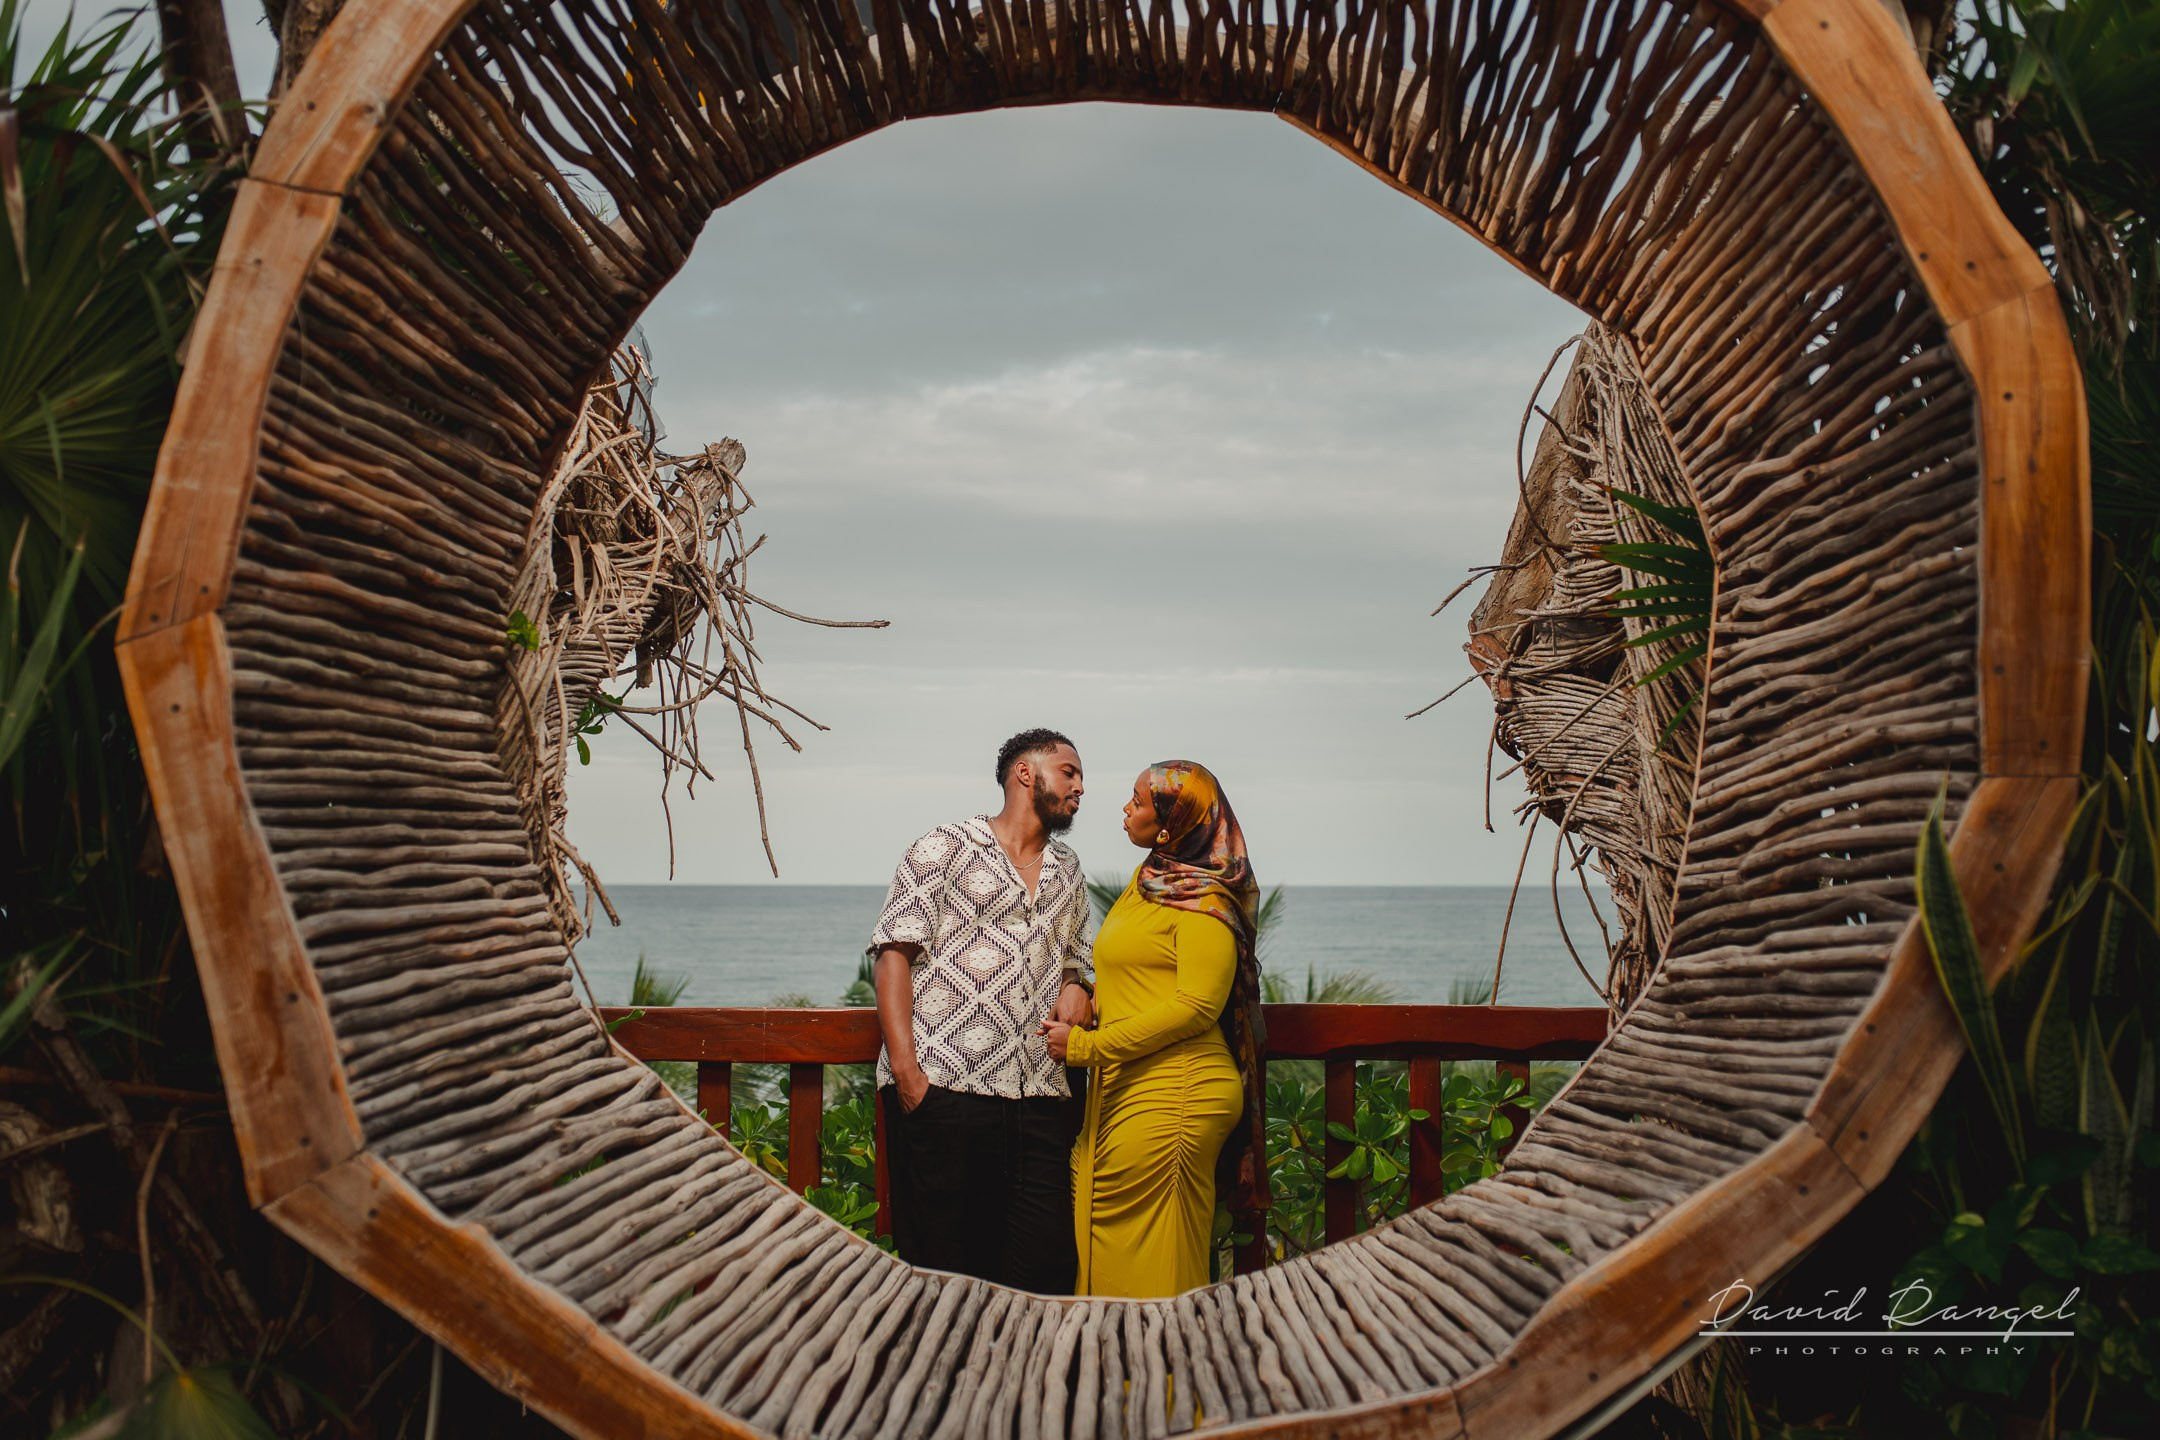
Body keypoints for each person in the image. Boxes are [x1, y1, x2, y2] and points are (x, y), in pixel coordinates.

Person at [868, 728, 1096, 1292]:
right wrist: (908, 1074)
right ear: (1026, 774)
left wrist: (1078, 986)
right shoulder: (942, 846)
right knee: (944, 1273)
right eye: (1068, 772)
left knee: (1047, 1275)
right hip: (946, 1088)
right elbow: (892, 955)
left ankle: (1027, 1383)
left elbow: (1077, 962)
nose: (1080, 787)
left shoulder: (1067, 869)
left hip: (1042, 1096)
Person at [1043, 760, 1268, 1299]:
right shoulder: (1151, 884)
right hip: (1131, 1089)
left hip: (1177, 1094)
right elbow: (1140, 973)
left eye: (1139, 801)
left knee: (1158, 1274)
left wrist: (1087, 1047)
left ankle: (1161, 1383)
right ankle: (1118, 1381)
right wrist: (1091, 997)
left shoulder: (1203, 900)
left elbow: (1195, 1006)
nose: (1125, 808)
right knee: (1113, 1259)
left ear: (1171, 822)